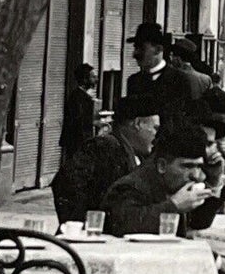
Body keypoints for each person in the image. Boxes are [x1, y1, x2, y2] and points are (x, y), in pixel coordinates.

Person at [102, 116, 225, 238]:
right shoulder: (131, 187)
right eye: (187, 166)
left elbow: (199, 222)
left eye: (199, 166)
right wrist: (174, 206)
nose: (195, 175)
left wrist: (214, 181)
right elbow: (125, 224)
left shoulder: (174, 185)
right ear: (162, 166)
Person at [51, 92, 160, 224]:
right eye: (155, 128)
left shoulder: (139, 156)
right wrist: (86, 223)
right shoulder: (103, 147)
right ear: (137, 124)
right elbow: (65, 183)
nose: (156, 135)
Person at [124, 21, 195, 124]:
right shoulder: (134, 81)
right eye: (135, 48)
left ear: (158, 50)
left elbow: (184, 119)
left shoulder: (179, 80)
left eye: (141, 48)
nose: (135, 53)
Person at [60, 63, 98, 161]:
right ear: (85, 79)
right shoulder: (77, 97)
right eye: (93, 77)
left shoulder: (82, 96)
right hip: (77, 142)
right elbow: (78, 121)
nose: (96, 80)